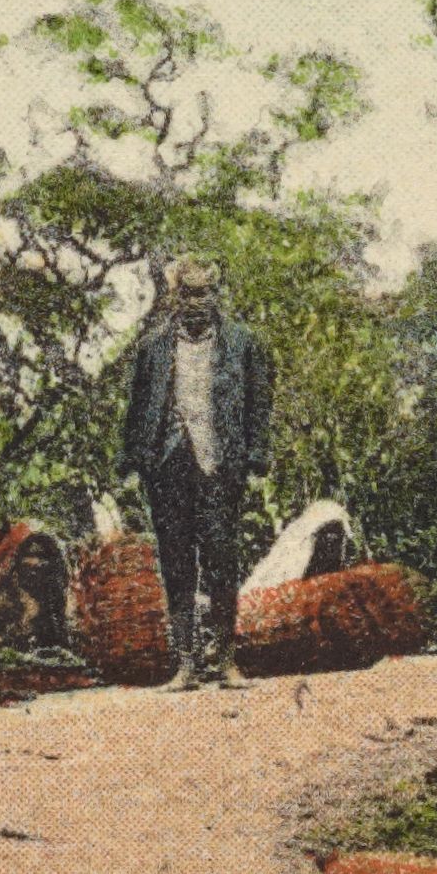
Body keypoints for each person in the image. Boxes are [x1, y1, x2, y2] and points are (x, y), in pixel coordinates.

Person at [117, 258, 274, 686]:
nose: (197, 301)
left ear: (217, 294)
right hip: (167, 466)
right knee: (176, 561)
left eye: (205, 292)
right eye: (188, 292)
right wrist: (132, 465)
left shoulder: (243, 343)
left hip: (221, 465)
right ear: (174, 295)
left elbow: (259, 406)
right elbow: (136, 410)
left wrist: (257, 460)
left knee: (222, 560)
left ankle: (225, 660)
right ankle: (185, 663)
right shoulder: (153, 347)